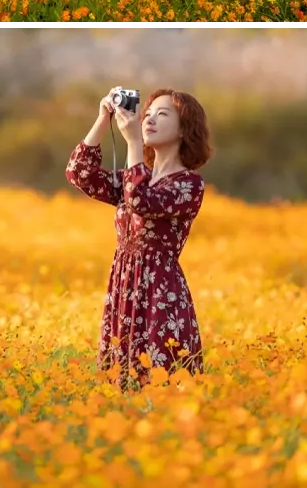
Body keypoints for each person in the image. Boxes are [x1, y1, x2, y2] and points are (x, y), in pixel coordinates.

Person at [65, 86, 211, 391]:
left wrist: (132, 141)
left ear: (185, 129)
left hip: (159, 295)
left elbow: (141, 201)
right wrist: (103, 118)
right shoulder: (135, 177)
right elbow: (79, 173)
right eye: (147, 114)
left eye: (162, 114)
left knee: (159, 387)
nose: (148, 120)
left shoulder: (189, 185)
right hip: (124, 289)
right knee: (120, 387)